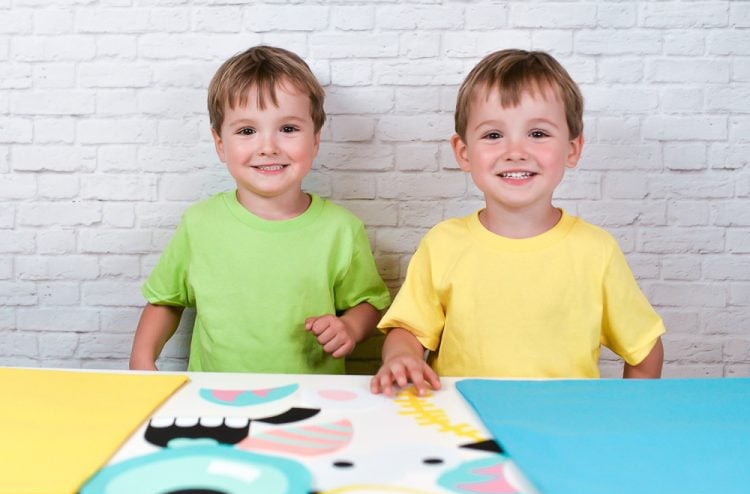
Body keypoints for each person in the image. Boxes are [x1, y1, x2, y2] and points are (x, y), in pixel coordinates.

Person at [371, 49, 665, 396]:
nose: (515, 151)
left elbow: (645, 351)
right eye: (494, 135)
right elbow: (408, 330)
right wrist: (401, 357)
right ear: (464, 153)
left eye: (537, 134)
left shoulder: (595, 251)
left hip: (562, 428)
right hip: (463, 422)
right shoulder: (443, 244)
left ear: (572, 150)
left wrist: (624, 416)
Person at [130, 45, 391, 374]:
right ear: (220, 144)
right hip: (216, 399)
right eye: (247, 131)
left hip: (312, 399)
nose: (268, 147)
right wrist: (142, 358)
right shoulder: (199, 224)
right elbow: (166, 300)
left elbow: (370, 302)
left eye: (288, 129)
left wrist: (351, 327)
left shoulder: (340, 229)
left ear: (315, 139)